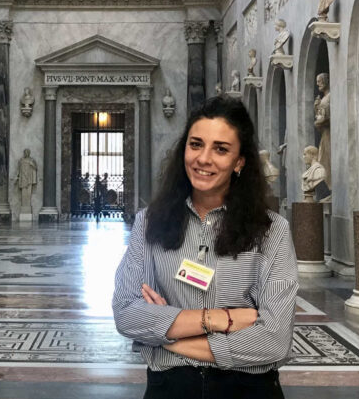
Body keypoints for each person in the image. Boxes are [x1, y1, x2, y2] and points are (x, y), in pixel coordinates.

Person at [113, 96, 297, 399]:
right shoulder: (149, 223)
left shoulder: (272, 230)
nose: (203, 158)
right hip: (170, 389)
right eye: (196, 144)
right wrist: (216, 319)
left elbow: (273, 340)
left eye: (221, 149)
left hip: (246, 390)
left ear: (239, 162)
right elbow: (127, 312)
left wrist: (167, 338)